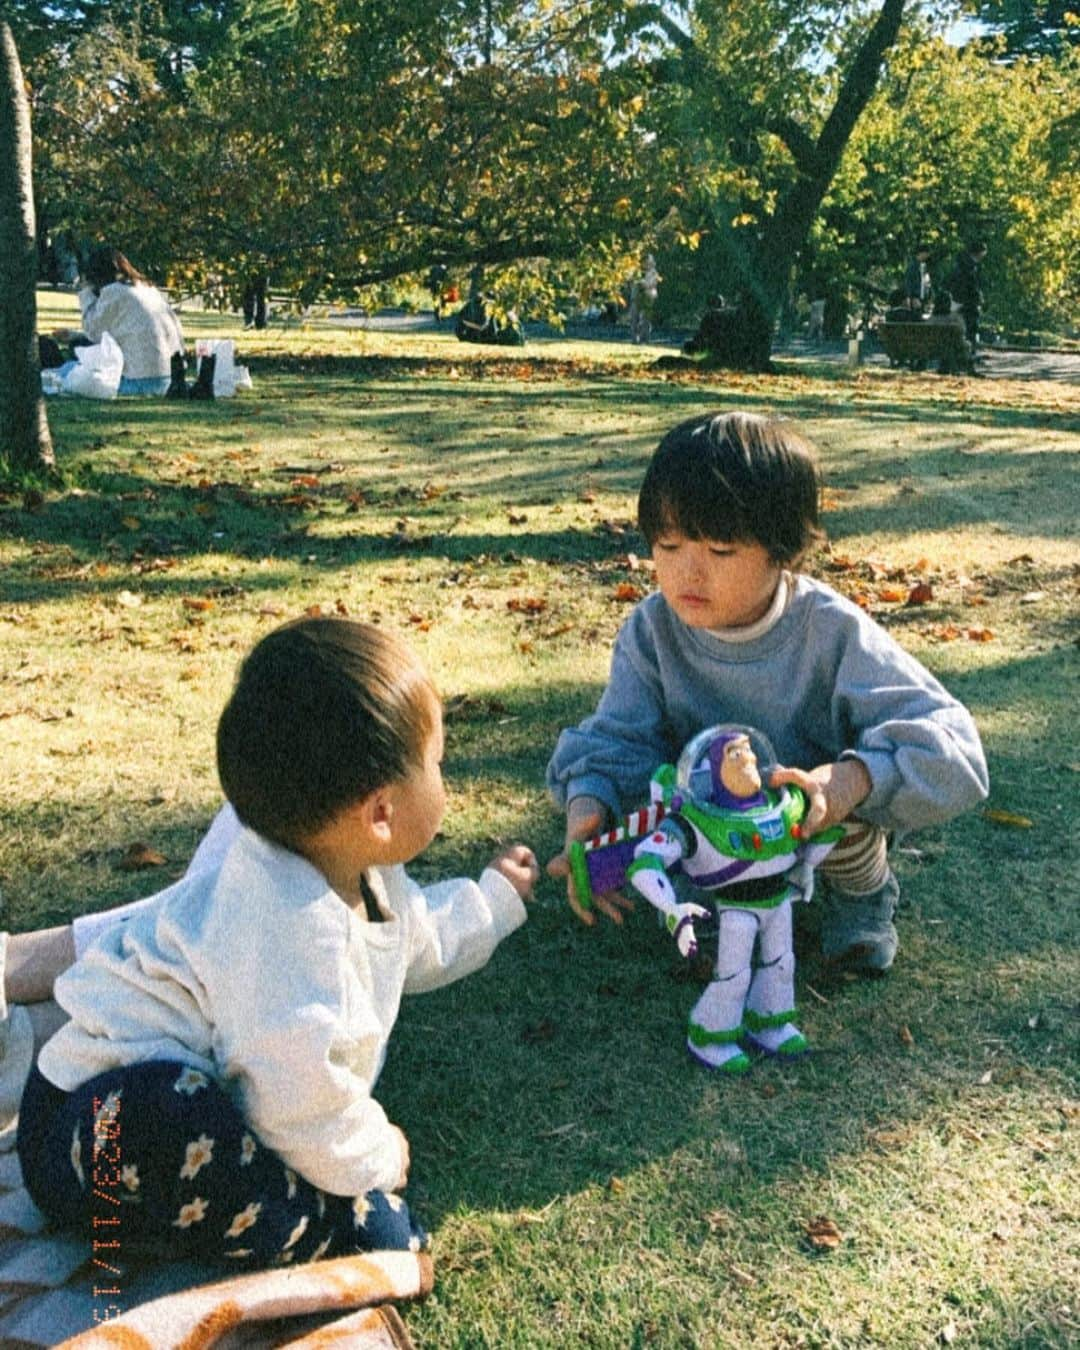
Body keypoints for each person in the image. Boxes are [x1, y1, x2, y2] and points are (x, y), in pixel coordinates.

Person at [7, 616, 538, 1266]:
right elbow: (294, 1098)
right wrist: (375, 1157)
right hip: (84, 1138)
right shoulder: (280, 923)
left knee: (204, 1124)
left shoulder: (355, 867)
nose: (444, 778)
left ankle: (284, 1211)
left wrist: (492, 899)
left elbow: (415, 937)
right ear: (379, 812)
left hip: (148, 1132)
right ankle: (323, 1229)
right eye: (437, 762)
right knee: (176, 1114)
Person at [546, 411, 988, 990]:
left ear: (782, 549)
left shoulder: (831, 632)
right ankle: (709, 911)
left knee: (841, 821)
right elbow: (617, 739)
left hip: (814, 828)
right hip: (710, 824)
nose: (688, 571)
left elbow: (955, 749)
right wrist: (589, 812)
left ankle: (862, 896)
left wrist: (849, 781)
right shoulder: (652, 629)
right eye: (669, 545)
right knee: (663, 825)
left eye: (721, 550)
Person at [52, 245, 185, 396]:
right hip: (170, 379)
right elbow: (123, 330)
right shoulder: (148, 288)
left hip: (139, 382)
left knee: (68, 370)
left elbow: (92, 331)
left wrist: (86, 293)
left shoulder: (114, 292)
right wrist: (75, 335)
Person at [947, 241, 987, 349]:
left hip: (958, 300)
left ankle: (967, 350)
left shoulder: (959, 264)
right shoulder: (970, 267)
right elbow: (972, 285)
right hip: (969, 302)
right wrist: (978, 297)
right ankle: (970, 351)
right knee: (971, 328)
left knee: (963, 327)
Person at [627, 254, 660, 343]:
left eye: (649, 262)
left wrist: (643, 283)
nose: (647, 264)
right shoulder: (635, 271)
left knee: (646, 319)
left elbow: (652, 284)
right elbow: (630, 281)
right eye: (645, 262)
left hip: (648, 298)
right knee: (634, 319)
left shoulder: (653, 273)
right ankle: (634, 339)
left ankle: (645, 339)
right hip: (636, 297)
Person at [904, 246, 931, 314]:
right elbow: (908, 283)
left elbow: (927, 282)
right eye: (926, 253)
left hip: (923, 297)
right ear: (921, 253)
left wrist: (928, 296)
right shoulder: (912, 266)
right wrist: (910, 297)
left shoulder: (924, 266)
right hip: (915, 297)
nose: (928, 256)